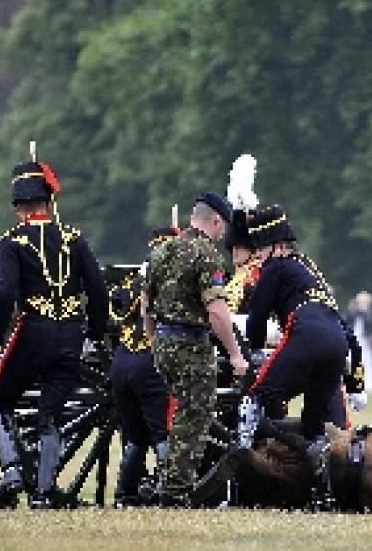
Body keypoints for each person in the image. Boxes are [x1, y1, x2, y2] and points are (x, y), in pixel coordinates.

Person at [0, 159, 108, 510]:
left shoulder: (12, 241)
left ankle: (11, 472)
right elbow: (97, 291)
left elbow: (5, 294)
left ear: (19, 206)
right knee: (50, 414)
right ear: (49, 201)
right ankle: (42, 492)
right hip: (70, 335)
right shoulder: (75, 239)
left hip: (32, 333)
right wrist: (94, 336)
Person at [237, 204, 350, 510]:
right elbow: (345, 326)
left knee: (253, 404)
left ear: (276, 246)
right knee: (315, 424)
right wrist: (355, 379)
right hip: (336, 344)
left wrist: (253, 352)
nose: (257, 255)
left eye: (260, 248)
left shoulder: (275, 268)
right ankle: (321, 496)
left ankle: (240, 486)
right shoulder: (310, 271)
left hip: (306, 336)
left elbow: (257, 317)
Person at [143, 192, 248, 507]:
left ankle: (169, 482)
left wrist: (154, 342)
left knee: (181, 415)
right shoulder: (206, 254)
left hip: (163, 341)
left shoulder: (163, 251)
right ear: (217, 221)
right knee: (195, 418)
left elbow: (146, 306)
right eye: (223, 228)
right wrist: (235, 355)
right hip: (191, 344)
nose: (222, 235)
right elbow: (216, 310)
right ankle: (176, 491)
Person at [110, 226, 175, 508]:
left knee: (135, 435)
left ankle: (125, 494)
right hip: (150, 362)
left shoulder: (129, 282)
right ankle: (169, 492)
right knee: (162, 432)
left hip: (121, 362)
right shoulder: (169, 281)